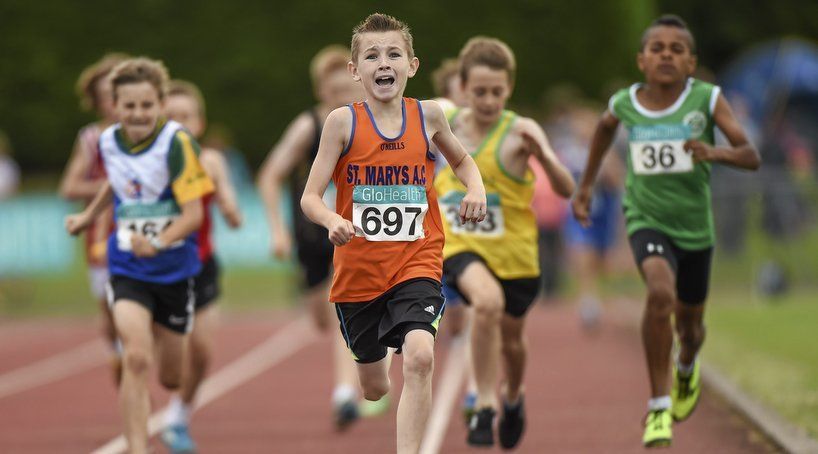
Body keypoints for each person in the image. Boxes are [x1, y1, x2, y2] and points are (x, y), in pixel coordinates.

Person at [300, 13, 487, 453]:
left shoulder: (429, 115)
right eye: (372, 56)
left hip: (416, 260)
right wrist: (332, 220)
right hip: (359, 274)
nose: (383, 63)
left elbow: (462, 161)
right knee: (374, 389)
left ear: (411, 65)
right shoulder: (341, 123)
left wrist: (475, 188)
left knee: (420, 356)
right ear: (355, 70)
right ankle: (372, 363)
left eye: (393, 54)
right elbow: (310, 197)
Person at [572, 15, 760, 448]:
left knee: (690, 329)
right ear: (642, 60)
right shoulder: (625, 103)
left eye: (677, 49)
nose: (666, 55)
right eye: (657, 48)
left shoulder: (708, 99)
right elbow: (602, 131)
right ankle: (659, 406)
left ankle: (687, 365)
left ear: (691, 62)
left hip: (694, 227)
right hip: (646, 217)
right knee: (659, 293)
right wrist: (585, 187)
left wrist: (713, 152)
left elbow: (750, 155)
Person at [65, 57, 214, 454]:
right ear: (114, 105)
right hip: (128, 266)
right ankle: (137, 447)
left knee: (170, 377)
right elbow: (115, 183)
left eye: (147, 105)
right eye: (129, 105)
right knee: (134, 357)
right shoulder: (108, 141)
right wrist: (88, 217)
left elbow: (193, 215)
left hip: (173, 270)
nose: (138, 113)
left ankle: (166, 358)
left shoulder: (177, 144)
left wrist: (160, 241)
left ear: (160, 104)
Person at [434, 36, 575, 449]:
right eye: (479, 91)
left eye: (497, 92)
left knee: (512, 343)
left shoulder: (521, 130)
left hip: (515, 256)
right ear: (462, 87)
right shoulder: (444, 120)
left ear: (509, 88)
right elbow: (399, 115)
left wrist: (543, 156)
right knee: (486, 302)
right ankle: (484, 403)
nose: (489, 101)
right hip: (459, 245)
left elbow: (566, 188)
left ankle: (513, 394)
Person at [258, 45, 368, 429]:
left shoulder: (375, 123)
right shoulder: (308, 126)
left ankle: (345, 392)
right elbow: (270, 175)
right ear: (321, 92)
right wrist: (277, 230)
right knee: (322, 315)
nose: (344, 100)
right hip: (312, 233)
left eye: (350, 92)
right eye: (335, 93)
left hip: (356, 232)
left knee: (343, 307)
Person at [161, 79, 243, 452]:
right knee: (167, 363)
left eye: (186, 117)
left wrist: (229, 207)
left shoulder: (210, 160)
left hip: (201, 264)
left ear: (199, 123)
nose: (179, 124)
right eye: (171, 117)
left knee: (202, 352)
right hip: (158, 269)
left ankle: (178, 416)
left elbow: (229, 201)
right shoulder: (151, 163)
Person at [58, 53, 129, 382]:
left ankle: (135, 357)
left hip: (144, 230)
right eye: (104, 97)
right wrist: (111, 186)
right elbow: (68, 187)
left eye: (117, 94)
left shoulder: (151, 133)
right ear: (96, 102)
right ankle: (118, 354)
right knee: (111, 311)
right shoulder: (91, 138)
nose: (112, 104)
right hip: (103, 235)